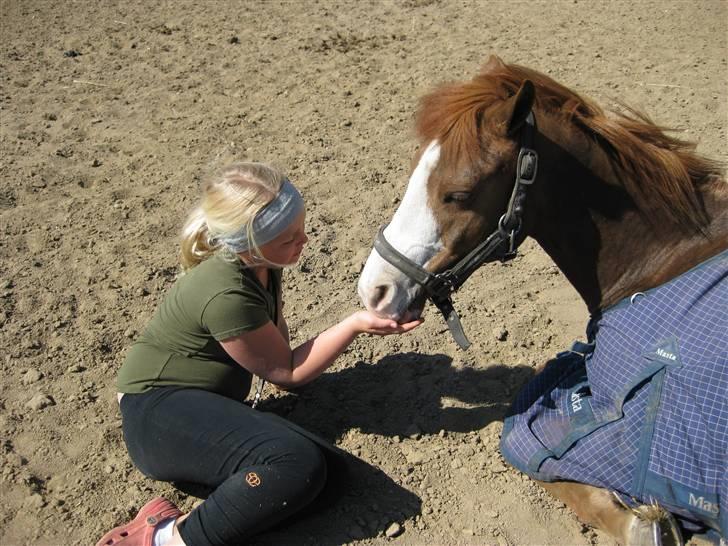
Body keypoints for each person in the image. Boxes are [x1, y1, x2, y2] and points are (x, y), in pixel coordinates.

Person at [96, 162, 422, 546]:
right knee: (297, 466)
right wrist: (353, 325)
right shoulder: (225, 293)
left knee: (331, 479)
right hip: (156, 414)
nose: (303, 240)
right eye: (289, 238)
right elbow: (287, 372)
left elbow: (279, 353)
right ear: (247, 245)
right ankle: (162, 539)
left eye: (301, 228)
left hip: (194, 407)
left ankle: (203, 513)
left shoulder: (265, 264)